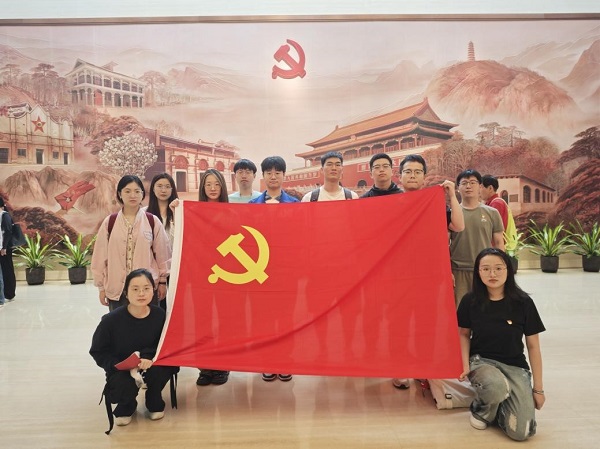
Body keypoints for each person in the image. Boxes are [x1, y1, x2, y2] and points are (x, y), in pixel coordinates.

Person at [388, 154, 465, 389]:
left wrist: (452, 195)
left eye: (417, 172)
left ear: (424, 177)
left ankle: (424, 368)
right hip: (399, 275)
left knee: (426, 323)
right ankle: (400, 369)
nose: (412, 176)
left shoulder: (434, 203)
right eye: (408, 171)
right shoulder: (391, 204)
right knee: (400, 323)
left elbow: (458, 225)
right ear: (400, 177)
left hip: (428, 274)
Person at [458, 248, 545, 441]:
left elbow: (533, 347)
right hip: (482, 362)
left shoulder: (524, 303)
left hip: (515, 367)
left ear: (508, 270)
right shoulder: (469, 300)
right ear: (478, 272)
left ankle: (499, 408)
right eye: (486, 269)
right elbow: (463, 334)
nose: (492, 274)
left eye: (498, 268)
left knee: (522, 433)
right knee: (495, 386)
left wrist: (538, 389)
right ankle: (482, 410)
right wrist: (465, 366)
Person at [90, 269, 179, 433]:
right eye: (135, 289)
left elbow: (167, 344)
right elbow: (98, 350)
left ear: (153, 290)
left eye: (146, 288)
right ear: (126, 292)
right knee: (122, 382)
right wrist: (118, 365)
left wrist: (148, 358)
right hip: (123, 366)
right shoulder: (111, 321)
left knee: (161, 370)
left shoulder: (160, 316)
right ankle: (127, 404)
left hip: (151, 363)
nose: (141, 293)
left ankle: (154, 399)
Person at [91, 175, 171, 311]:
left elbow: (163, 255)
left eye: (137, 191)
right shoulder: (110, 222)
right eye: (127, 191)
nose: (132, 195)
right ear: (120, 194)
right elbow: (99, 257)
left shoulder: (152, 221)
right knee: (119, 324)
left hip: (146, 288)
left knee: (149, 323)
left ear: (142, 194)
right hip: (118, 289)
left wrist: (162, 282)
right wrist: (101, 287)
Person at [250, 156, 298, 381]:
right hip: (260, 271)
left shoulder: (295, 205)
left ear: (284, 176)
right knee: (264, 319)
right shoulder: (252, 206)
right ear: (263, 176)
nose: (273, 176)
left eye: (277, 172)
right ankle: (267, 361)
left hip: (287, 271)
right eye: (268, 172)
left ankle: (285, 360)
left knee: (287, 318)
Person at [195, 168, 231, 386]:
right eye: (208, 184)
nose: (212, 188)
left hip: (226, 275)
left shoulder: (231, 212)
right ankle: (205, 366)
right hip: (201, 275)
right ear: (202, 187)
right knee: (203, 321)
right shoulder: (194, 211)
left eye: (217, 184)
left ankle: (222, 365)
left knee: (224, 322)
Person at [450, 170, 504, 307]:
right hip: (459, 270)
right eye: (464, 183)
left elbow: (499, 242)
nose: (468, 186)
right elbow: (444, 244)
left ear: (480, 186)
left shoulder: (492, 213)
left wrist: (502, 267)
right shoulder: (451, 214)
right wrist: (448, 271)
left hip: (485, 270)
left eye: (473, 182)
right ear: (458, 188)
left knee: (484, 308)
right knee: (460, 309)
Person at [146, 173, 178, 252]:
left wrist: (175, 214)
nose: (163, 190)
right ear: (153, 189)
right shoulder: (144, 213)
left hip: (174, 258)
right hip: (150, 258)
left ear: (172, 189)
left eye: (167, 187)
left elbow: (181, 239)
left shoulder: (179, 212)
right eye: (159, 186)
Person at [0, 197, 16, 303]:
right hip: (2, 246)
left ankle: (9, 293)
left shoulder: (4, 215)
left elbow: (8, 232)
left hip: (5, 248)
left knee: (7, 269)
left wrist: (4, 247)